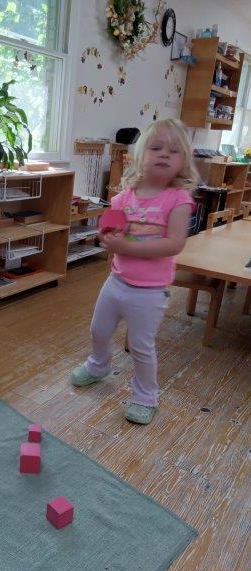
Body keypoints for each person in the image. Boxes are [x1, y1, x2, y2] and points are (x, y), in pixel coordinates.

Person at [71, 118, 198, 424]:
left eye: (173, 151)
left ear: (183, 161)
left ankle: (145, 396)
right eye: (156, 148)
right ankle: (98, 365)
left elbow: (174, 244)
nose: (164, 154)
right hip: (116, 281)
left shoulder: (179, 200)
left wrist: (125, 246)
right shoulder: (125, 195)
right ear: (141, 154)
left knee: (141, 347)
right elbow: (109, 229)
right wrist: (106, 236)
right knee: (98, 330)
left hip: (150, 292)